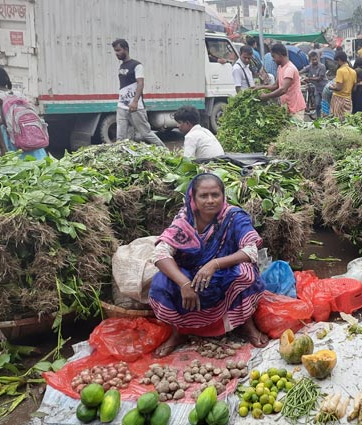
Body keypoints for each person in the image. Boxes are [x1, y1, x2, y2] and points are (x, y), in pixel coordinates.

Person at [149, 173, 269, 357]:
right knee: (160, 283)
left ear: (223, 196)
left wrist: (214, 264)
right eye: (203, 196)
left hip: (223, 271)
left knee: (245, 273)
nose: (210, 200)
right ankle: (178, 332)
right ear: (193, 198)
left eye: (215, 195)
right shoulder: (185, 219)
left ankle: (247, 325)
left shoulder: (234, 217)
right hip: (190, 274)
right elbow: (160, 253)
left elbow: (250, 251)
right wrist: (184, 283)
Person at [111, 39, 165, 146]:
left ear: (126, 49)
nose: (116, 53)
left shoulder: (137, 65)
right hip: (122, 106)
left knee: (146, 133)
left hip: (136, 107)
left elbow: (140, 83)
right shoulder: (121, 66)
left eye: (118, 50)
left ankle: (164, 151)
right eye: (115, 51)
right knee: (120, 138)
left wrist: (135, 101)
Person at [0, 66, 48, 159]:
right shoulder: (18, 94)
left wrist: (3, 149)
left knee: (18, 166)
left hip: (12, 139)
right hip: (28, 135)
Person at [257, 43, 306, 120]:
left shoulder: (289, 69)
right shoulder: (280, 67)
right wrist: (259, 87)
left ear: (280, 55)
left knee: (295, 130)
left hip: (295, 108)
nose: (273, 59)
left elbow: (283, 89)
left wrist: (267, 96)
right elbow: (275, 86)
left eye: (274, 56)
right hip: (286, 107)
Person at [328, 51, 357, 118]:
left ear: (339, 60)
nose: (337, 63)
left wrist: (331, 87)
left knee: (337, 120)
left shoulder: (340, 71)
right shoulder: (353, 72)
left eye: (337, 61)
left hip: (338, 99)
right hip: (348, 100)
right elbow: (354, 88)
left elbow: (338, 88)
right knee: (347, 120)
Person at [301, 51, 327, 119]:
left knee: (325, 104)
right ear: (310, 60)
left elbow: (319, 78)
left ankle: (327, 117)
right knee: (317, 104)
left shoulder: (322, 66)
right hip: (317, 88)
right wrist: (296, 73)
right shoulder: (310, 66)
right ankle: (318, 118)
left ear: (318, 58)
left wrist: (308, 78)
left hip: (324, 88)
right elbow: (302, 71)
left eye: (316, 59)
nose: (315, 61)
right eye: (313, 60)